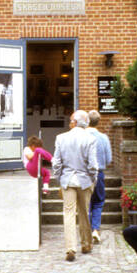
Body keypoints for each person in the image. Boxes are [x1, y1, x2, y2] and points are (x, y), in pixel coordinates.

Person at [51, 110, 101, 261]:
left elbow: (57, 163)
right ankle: (86, 244)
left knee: (68, 213)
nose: (69, 123)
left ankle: (70, 248)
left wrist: (59, 178)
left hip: (68, 179)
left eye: (70, 120)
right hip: (84, 180)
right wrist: (93, 179)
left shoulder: (61, 138)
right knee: (84, 212)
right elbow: (93, 165)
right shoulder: (90, 139)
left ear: (74, 122)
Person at [86, 110, 113, 245]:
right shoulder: (103, 138)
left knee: (86, 202)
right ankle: (95, 229)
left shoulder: (82, 136)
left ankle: (86, 231)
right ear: (99, 121)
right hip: (99, 173)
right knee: (98, 202)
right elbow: (109, 159)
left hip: (84, 174)